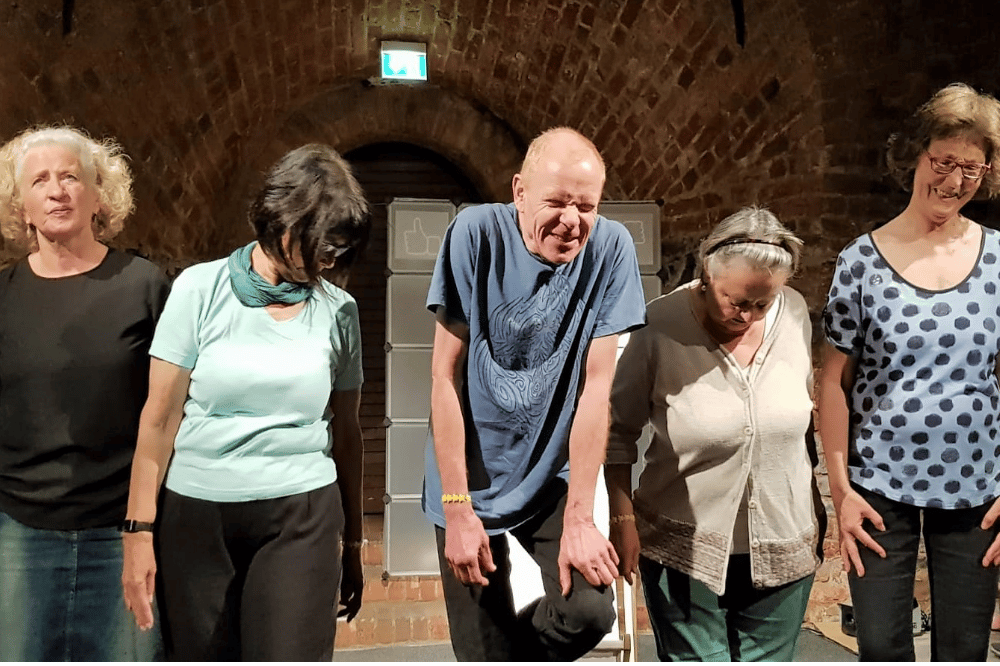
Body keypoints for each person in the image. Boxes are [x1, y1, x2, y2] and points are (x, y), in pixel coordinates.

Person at [121, 144, 371, 661]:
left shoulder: (339, 310)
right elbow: (159, 420)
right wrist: (138, 532)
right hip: (197, 515)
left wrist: (353, 542)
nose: (330, 261)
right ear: (283, 221)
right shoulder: (199, 289)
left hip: (301, 512)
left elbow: (347, 432)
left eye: (340, 250)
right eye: (323, 245)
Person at [422, 127, 647, 661]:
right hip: (471, 479)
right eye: (557, 203)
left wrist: (581, 519)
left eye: (586, 207)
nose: (572, 221)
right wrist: (457, 510)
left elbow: (596, 389)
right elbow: (443, 377)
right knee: (482, 651)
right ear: (520, 192)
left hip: (548, 477)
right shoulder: (475, 233)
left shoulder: (611, 248)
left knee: (589, 612)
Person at [819, 82, 1000, 661]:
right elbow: (832, 383)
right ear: (917, 155)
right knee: (880, 644)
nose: (953, 180)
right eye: (943, 161)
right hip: (877, 484)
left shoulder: (999, 258)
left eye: (970, 168)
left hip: (976, 483)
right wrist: (842, 492)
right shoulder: (860, 261)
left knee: (965, 649)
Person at [605, 207, 821, 661]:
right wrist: (621, 519)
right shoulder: (658, 326)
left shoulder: (795, 313)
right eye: (735, 301)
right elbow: (616, 432)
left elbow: (802, 418)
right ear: (707, 272)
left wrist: (816, 503)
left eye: (763, 304)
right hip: (683, 549)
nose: (748, 316)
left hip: (784, 542)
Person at [0, 126, 168, 661]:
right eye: (40, 181)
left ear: (99, 197)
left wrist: (144, 527)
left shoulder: (143, 286)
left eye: (71, 177)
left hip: (122, 534)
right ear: (22, 208)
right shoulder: (3, 296)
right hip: (18, 534)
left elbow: (171, 413)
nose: (57, 191)